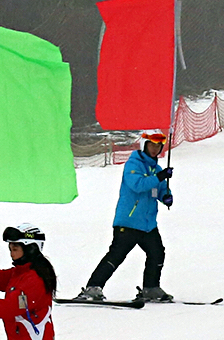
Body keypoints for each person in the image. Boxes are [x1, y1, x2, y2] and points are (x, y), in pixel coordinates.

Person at [73, 130, 174, 303]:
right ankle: (93, 288)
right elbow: (138, 185)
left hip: (147, 224)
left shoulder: (155, 169)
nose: (155, 149)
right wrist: (159, 177)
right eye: (152, 145)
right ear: (144, 145)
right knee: (117, 255)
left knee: (157, 253)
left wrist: (165, 196)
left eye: (158, 146)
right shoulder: (133, 164)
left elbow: (155, 189)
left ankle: (150, 288)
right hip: (129, 221)